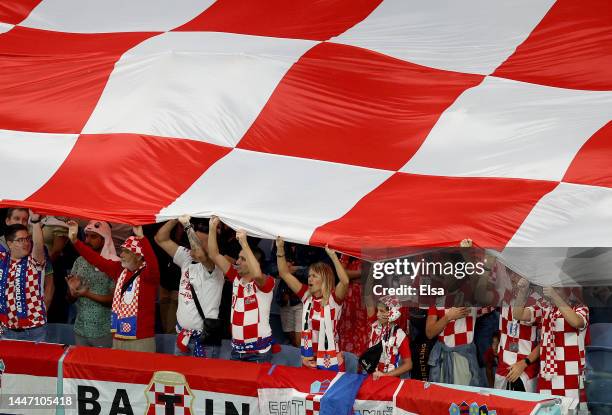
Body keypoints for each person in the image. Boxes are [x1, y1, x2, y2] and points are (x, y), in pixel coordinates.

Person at [68, 221, 159, 352]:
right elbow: (95, 259)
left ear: (138, 256)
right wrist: (75, 241)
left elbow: (152, 262)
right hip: (117, 337)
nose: (121, 255)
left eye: (126, 252)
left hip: (141, 340)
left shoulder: (148, 276)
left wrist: (142, 238)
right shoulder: (119, 271)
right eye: (122, 251)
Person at [154, 216, 224, 358]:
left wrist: (186, 225)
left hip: (204, 341)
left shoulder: (216, 267)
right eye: (192, 239)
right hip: (182, 336)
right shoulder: (187, 258)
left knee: (202, 380)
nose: (192, 244)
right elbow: (160, 238)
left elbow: (201, 255)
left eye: (197, 242)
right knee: (180, 380)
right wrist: (176, 218)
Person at [276, 237, 349, 370]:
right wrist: (280, 248)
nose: (310, 278)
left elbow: (345, 282)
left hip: (330, 360)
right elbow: (284, 273)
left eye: (314, 276)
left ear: (325, 279)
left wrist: (333, 256)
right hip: (308, 359)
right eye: (309, 275)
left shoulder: (334, 298)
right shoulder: (306, 296)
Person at [208, 216, 274, 363]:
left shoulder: (266, 282)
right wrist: (212, 228)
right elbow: (214, 254)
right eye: (238, 257)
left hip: (258, 353)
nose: (237, 261)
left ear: (254, 262)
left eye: (243, 259)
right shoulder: (236, 277)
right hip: (236, 351)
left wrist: (244, 242)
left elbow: (256, 274)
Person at [513, 279, 589, 403]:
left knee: (570, 410)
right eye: (552, 287)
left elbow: (576, 322)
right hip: (548, 374)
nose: (552, 290)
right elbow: (518, 314)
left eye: (557, 288)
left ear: (568, 289)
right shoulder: (545, 308)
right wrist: (522, 292)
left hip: (571, 374)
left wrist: (555, 296)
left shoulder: (580, 307)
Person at [66, 220, 116, 347]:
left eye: (93, 237)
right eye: (86, 236)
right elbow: (70, 299)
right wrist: (73, 291)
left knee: (103, 366)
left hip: (103, 331)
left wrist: (87, 293)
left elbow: (113, 301)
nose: (87, 241)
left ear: (105, 239)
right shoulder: (79, 261)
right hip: (80, 329)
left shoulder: (114, 263)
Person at [0, 212, 49, 341]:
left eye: (27, 239)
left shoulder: (33, 262)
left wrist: (35, 221)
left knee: (37, 362)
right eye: (20, 240)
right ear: (10, 244)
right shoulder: (2, 260)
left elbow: (38, 246)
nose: (26, 243)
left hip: (34, 330)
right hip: (6, 330)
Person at [366, 296, 412, 379]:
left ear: (393, 314)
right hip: (372, 377)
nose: (377, 314)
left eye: (382, 311)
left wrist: (385, 375)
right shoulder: (375, 327)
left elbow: (408, 365)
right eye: (377, 310)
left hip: (390, 380)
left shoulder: (400, 335)